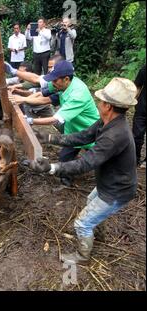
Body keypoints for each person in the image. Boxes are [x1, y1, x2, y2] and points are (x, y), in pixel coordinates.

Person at [30, 77, 138, 264]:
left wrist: (52, 168)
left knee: (81, 223)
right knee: (90, 201)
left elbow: (85, 163)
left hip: (117, 190)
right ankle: (98, 233)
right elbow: (83, 136)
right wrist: (49, 138)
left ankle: (82, 256)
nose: (98, 102)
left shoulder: (114, 136)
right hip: (111, 183)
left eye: (101, 100)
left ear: (108, 106)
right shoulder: (107, 122)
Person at [25, 61, 100, 186]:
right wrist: (24, 96)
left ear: (66, 79)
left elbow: (55, 119)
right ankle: (66, 179)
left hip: (90, 130)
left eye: (55, 80)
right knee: (64, 158)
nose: (52, 83)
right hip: (73, 129)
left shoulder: (78, 94)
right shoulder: (61, 83)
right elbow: (41, 86)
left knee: (98, 160)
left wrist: (31, 120)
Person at [132, 64, 146, 168]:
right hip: (142, 107)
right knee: (136, 134)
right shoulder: (144, 69)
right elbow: (137, 86)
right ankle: (134, 158)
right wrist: (129, 100)